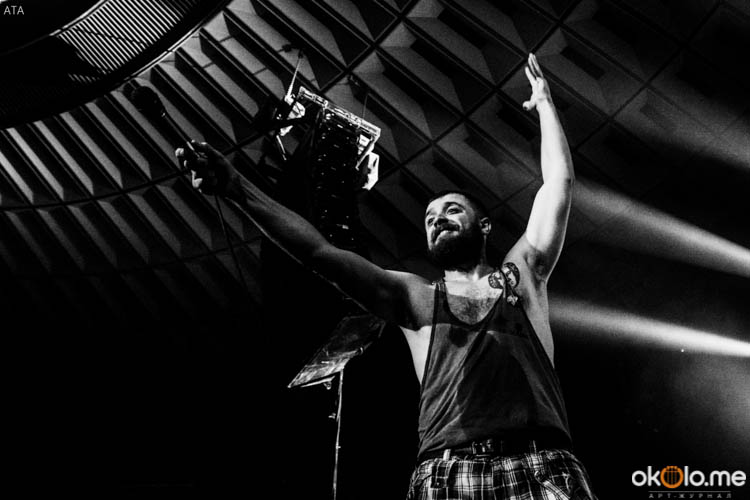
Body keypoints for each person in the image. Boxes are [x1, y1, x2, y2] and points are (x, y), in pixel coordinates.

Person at [176, 53, 597, 499]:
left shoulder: (523, 273)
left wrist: (545, 104)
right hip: (448, 471)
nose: (437, 219)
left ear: (484, 225)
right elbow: (319, 252)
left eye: (452, 210)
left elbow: (559, 184)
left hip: (540, 462)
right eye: (430, 217)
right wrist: (237, 187)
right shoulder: (415, 296)